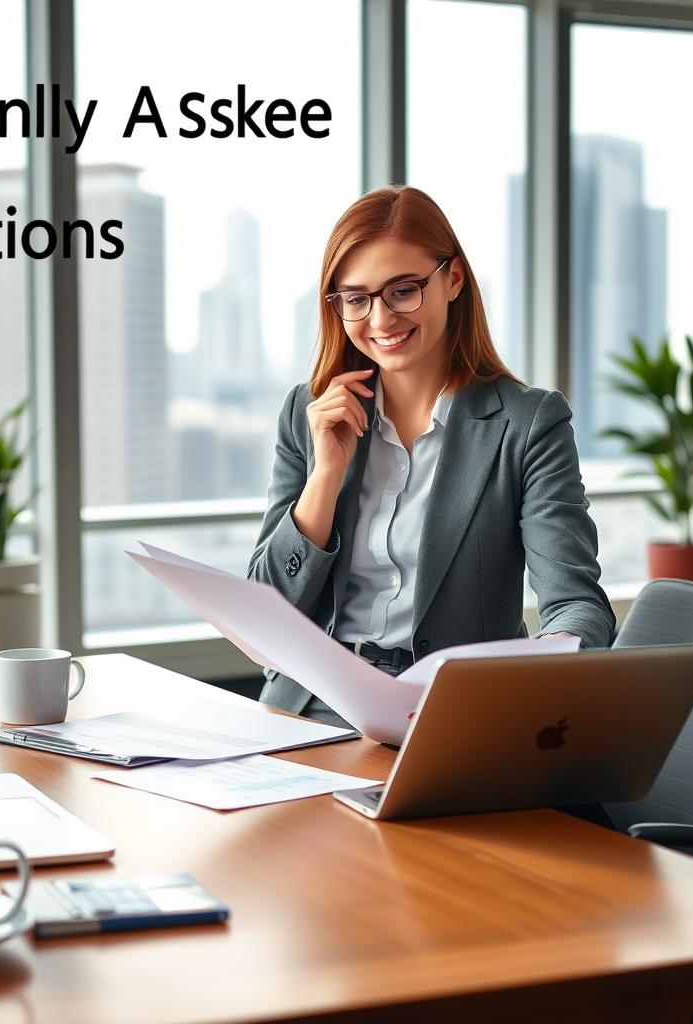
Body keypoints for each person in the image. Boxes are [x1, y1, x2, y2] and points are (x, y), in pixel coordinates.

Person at [248, 186, 616, 728]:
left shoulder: (527, 423)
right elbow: (264, 615)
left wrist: (544, 672)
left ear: (454, 278)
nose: (380, 319)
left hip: (455, 716)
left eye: (403, 291)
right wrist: (325, 475)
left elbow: (577, 604)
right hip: (311, 712)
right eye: (356, 298)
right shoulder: (310, 412)